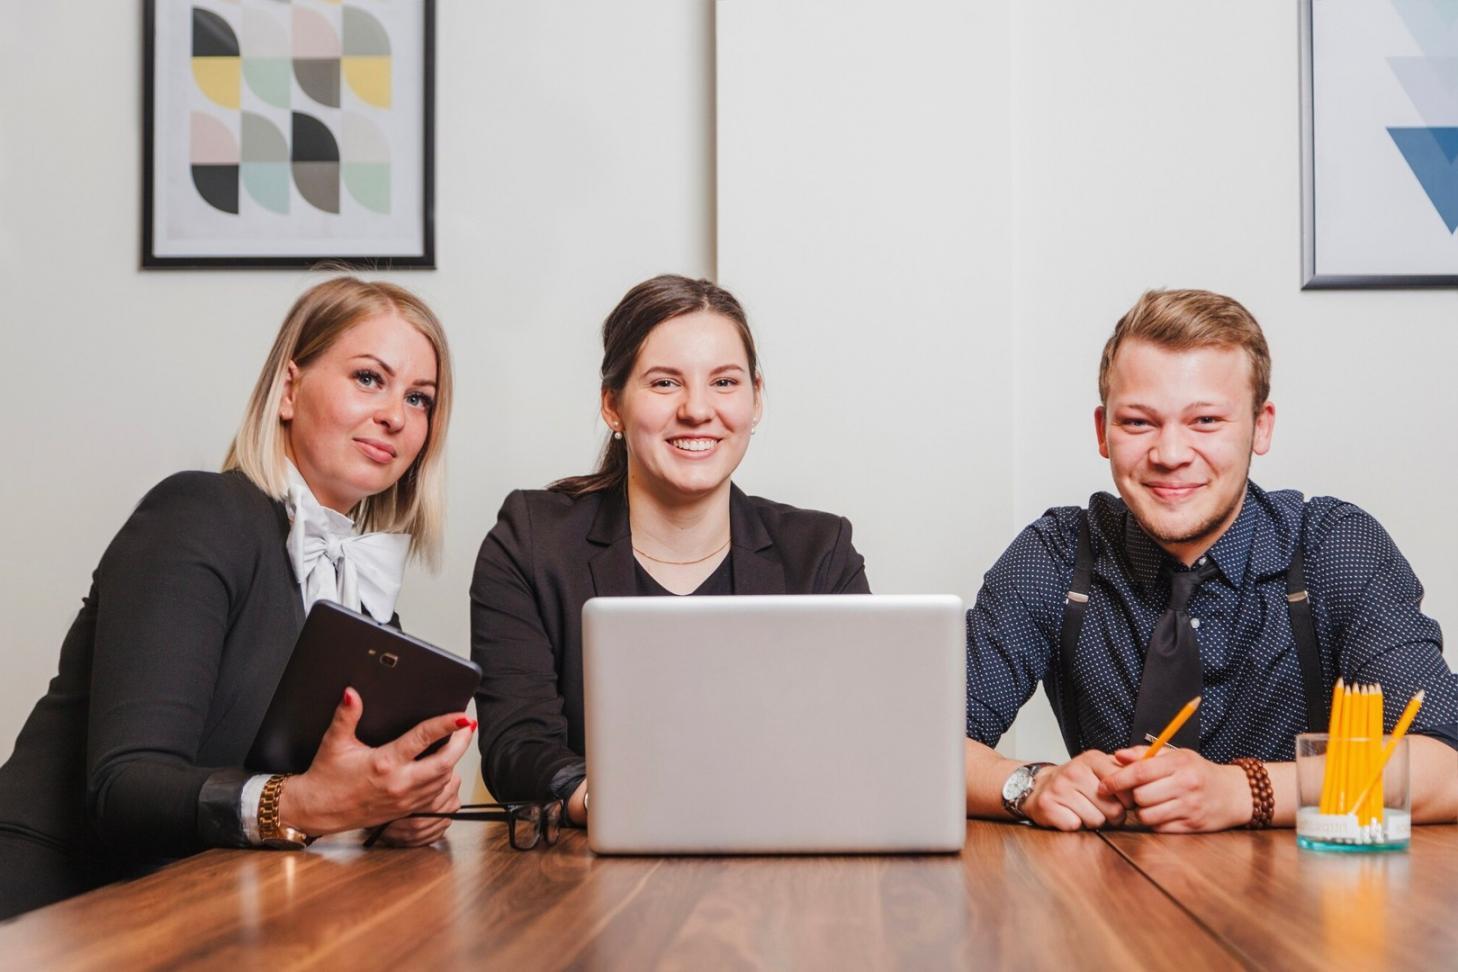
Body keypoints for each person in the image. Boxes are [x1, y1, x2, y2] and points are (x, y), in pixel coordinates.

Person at [0, 277, 473, 920]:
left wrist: (394, 810)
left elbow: (317, 784)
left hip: (206, 911)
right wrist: (307, 804)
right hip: (62, 911)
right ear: (288, 388)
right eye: (369, 378)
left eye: (420, 398)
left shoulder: (362, 594)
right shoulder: (197, 513)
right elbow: (124, 786)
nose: (396, 414)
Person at [964, 289, 1458, 832]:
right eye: (1137, 423)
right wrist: (1030, 783)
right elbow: (926, 745)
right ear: (1102, 431)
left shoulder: (1332, 547)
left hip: (1306, 903)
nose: (1170, 454)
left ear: (1261, 426)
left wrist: (1246, 790)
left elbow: (1444, 762)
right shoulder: (1057, 553)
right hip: (1101, 897)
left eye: (1204, 421)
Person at [470, 274, 870, 823]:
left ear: (755, 400)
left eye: (725, 383)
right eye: (664, 383)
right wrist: (604, 803)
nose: (697, 409)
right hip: (591, 877)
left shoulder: (820, 554)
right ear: (613, 405)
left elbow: (856, 741)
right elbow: (516, 744)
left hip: (780, 865)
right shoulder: (531, 541)